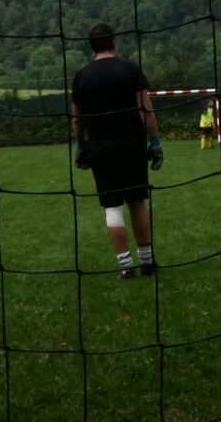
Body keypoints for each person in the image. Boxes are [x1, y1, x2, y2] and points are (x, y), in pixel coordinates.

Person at [71, 23, 163, 280]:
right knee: (137, 201)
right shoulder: (130, 69)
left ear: (92, 47)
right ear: (114, 42)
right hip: (132, 147)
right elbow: (146, 111)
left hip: (100, 150)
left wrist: (80, 146)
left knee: (112, 207)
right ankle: (147, 263)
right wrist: (155, 142)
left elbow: (77, 119)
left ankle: (126, 267)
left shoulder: (82, 76)